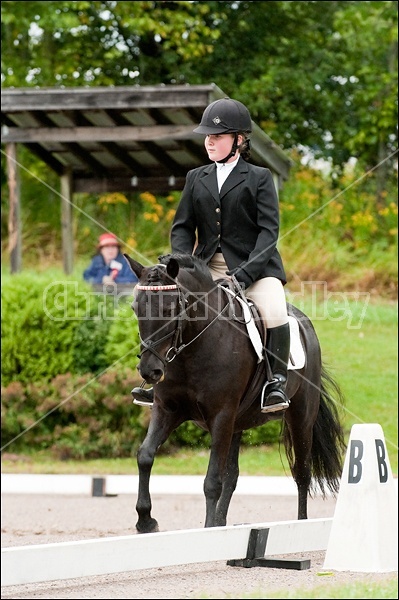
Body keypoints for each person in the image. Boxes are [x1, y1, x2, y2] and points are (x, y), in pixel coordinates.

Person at [132, 97, 290, 414]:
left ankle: (275, 383)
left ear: (239, 140)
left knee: (274, 309)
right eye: (207, 136)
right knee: (161, 308)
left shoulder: (259, 178)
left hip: (254, 269)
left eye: (217, 136)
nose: (209, 141)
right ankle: (156, 383)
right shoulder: (196, 177)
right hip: (203, 269)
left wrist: (245, 275)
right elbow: (182, 227)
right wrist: (181, 265)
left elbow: (268, 233)